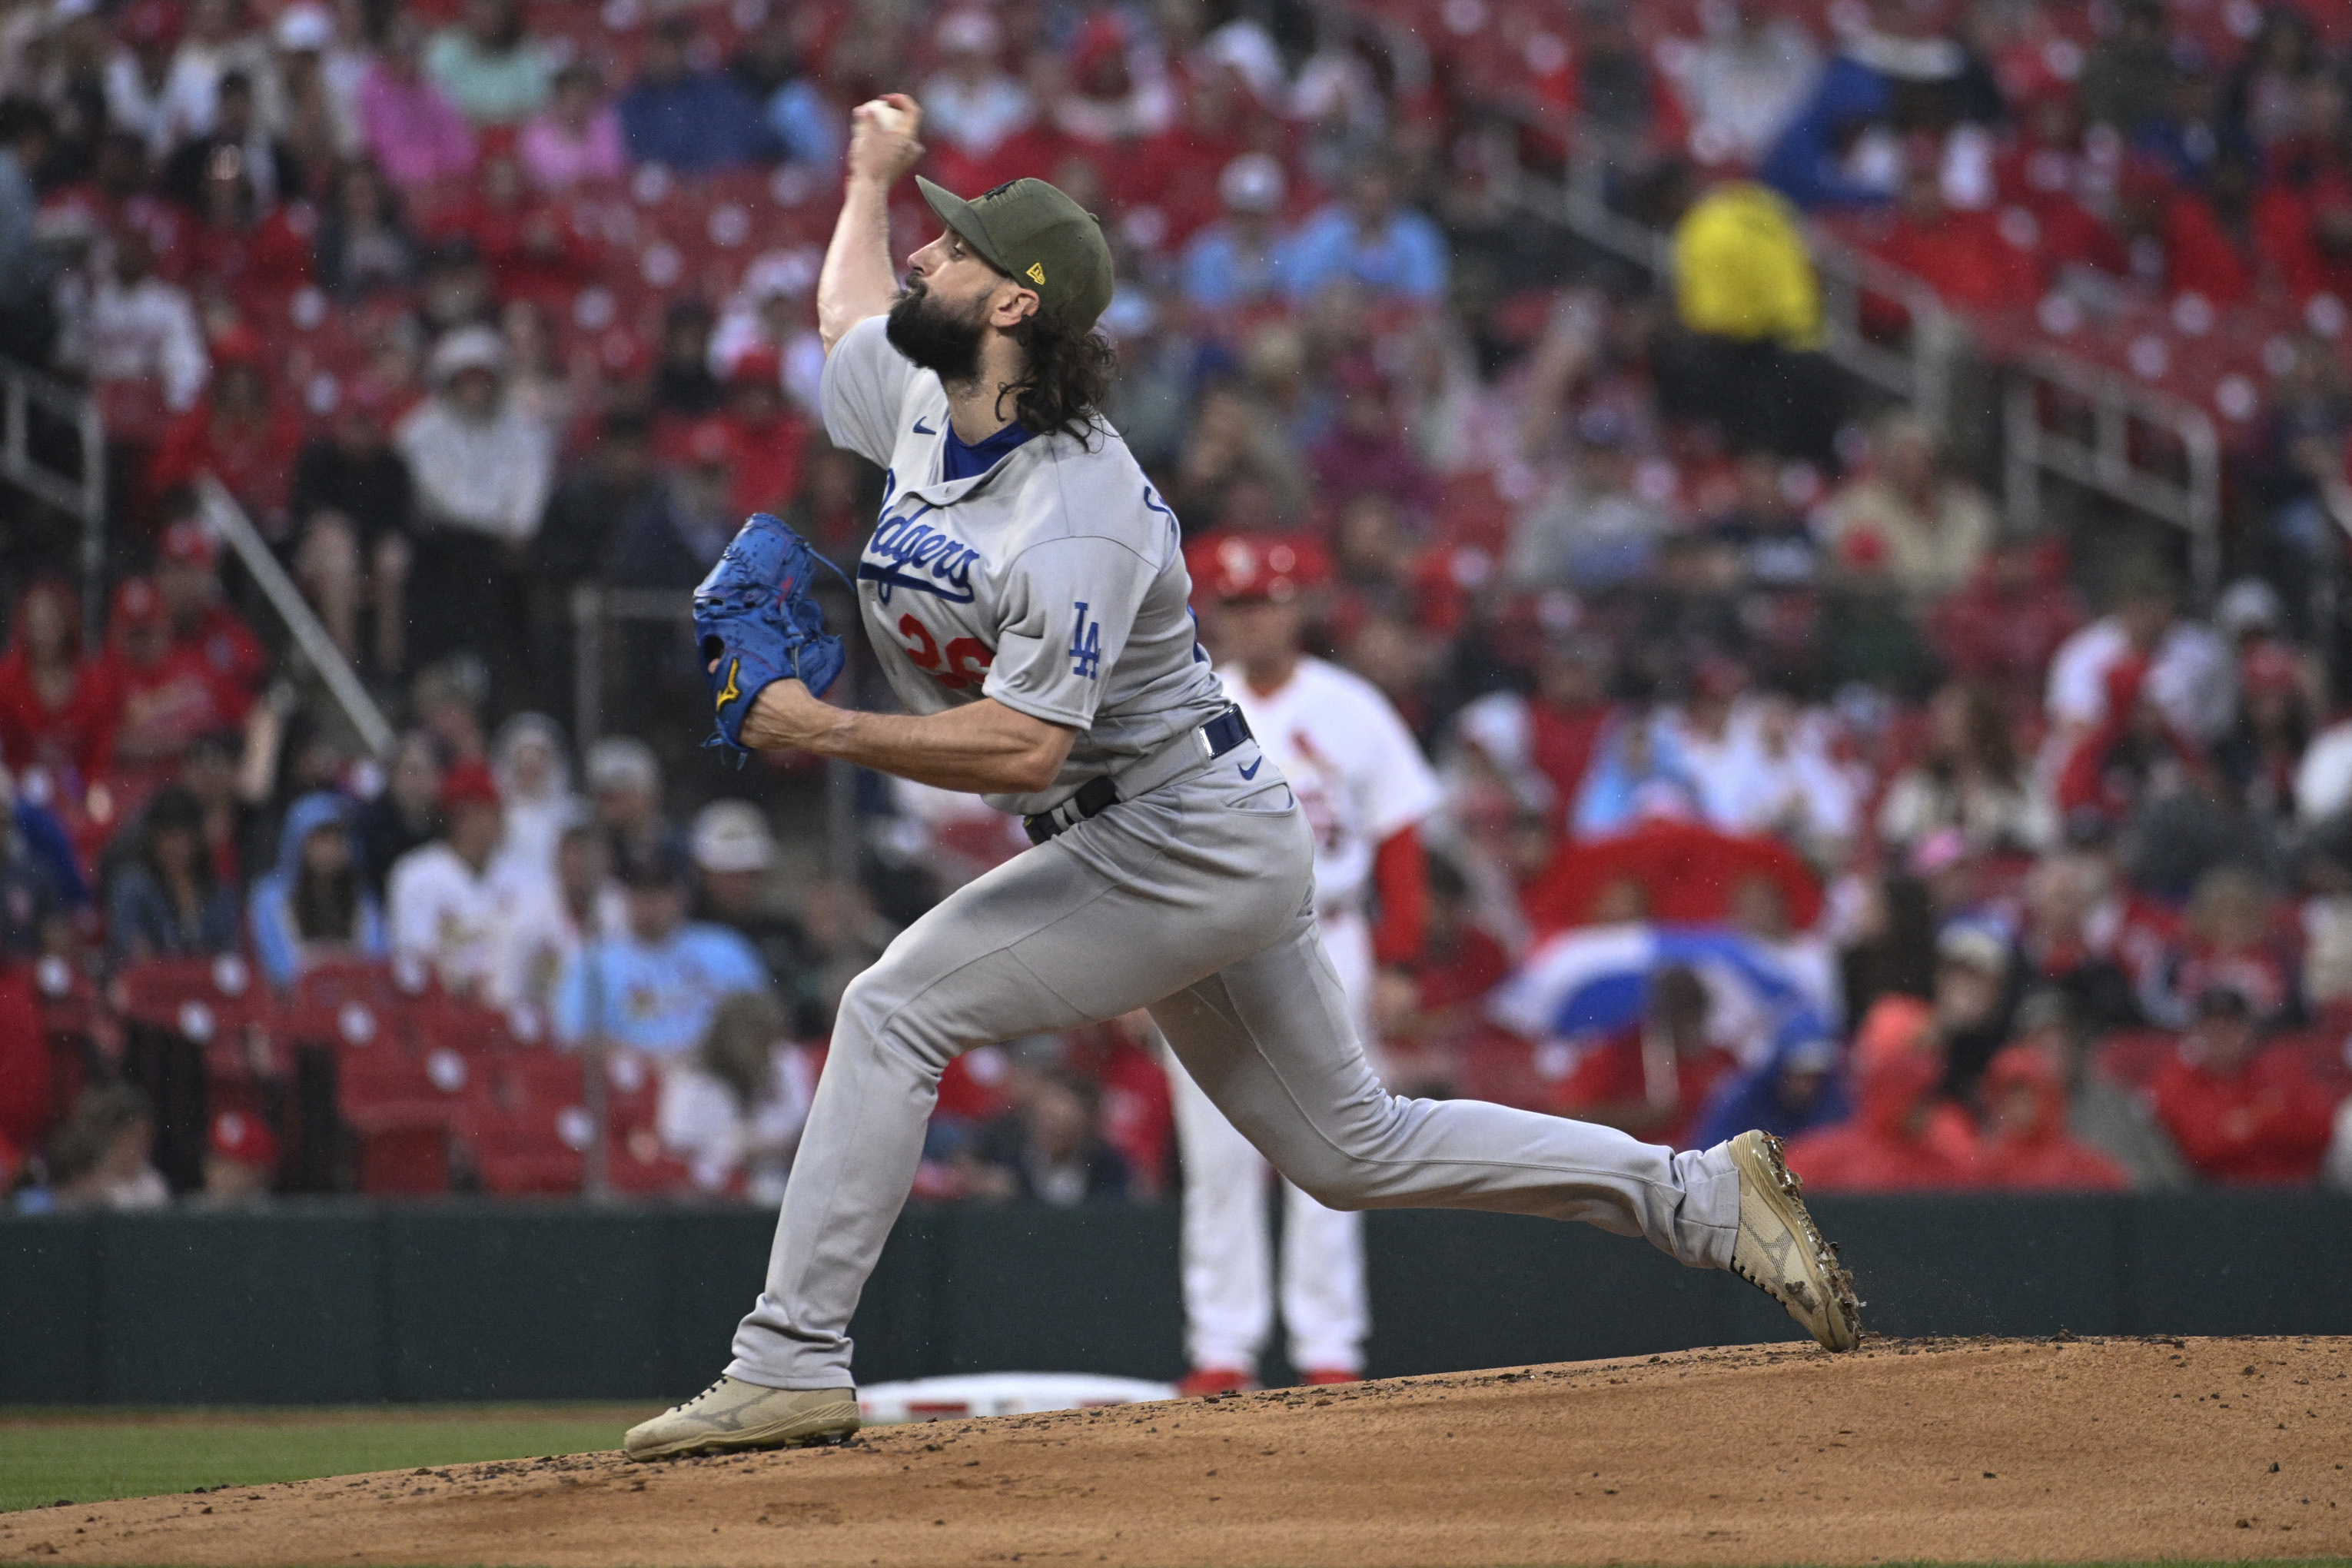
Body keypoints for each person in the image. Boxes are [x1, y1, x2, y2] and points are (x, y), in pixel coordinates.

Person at [621, 95, 1861, 1463]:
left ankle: (788, 1358)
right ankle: (1701, 1201)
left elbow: (1025, 749)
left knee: (890, 1011)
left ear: (1018, 308)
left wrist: (820, 729)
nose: (927, 255)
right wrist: (865, 183)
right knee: (1353, 1150)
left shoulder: (1079, 505)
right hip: (1182, 826)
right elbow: (842, 315)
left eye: (956, 248)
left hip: (1173, 833)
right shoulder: (932, 392)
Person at [1170, 530, 1441, 1394]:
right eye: (1239, 604)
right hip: (1212, 942)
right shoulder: (1188, 698)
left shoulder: (1351, 707)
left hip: (1330, 933)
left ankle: (1331, 1349)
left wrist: (1400, 957)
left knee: (1335, 1141)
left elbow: (1401, 838)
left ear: (1302, 607)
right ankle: (1223, 1350)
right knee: (1217, 1155)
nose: (1255, 620)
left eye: (1271, 602)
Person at [553, 843, 767, 1060]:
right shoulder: (595, 962)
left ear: (682, 894)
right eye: (640, 892)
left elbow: (762, 1021)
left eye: (660, 892)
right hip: (633, 1084)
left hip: (716, 1077)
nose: (650, 904)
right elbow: (576, 1039)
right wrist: (655, 1061)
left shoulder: (724, 948)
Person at [2148, 985, 2337, 1184]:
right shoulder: (2178, 1079)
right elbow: (2200, 1147)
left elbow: (2321, 1126)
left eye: (2231, 1027)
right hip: (2216, 1198)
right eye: (2212, 1029)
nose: (2221, 1038)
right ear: (2196, 1034)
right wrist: (2268, 1120)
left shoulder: (2280, 1067)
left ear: (2249, 1030)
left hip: (2295, 1192)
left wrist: (2249, 1125)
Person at [656, 988, 818, 1203]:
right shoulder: (694, 1077)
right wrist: (738, 1146)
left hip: (783, 1182)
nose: (767, 1048)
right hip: (712, 1195)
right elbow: (676, 1136)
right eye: (758, 1039)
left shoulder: (786, 1060)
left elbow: (802, 1122)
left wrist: (758, 1143)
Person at [385, 758, 508, 1001]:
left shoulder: (517, 876)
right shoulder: (416, 875)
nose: (498, 823)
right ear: (461, 817)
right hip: (438, 1008)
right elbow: (413, 961)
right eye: (488, 812)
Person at [247, 789, 387, 988]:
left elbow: (377, 962)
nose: (330, 849)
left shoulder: (362, 898)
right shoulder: (270, 898)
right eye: (320, 839)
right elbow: (279, 969)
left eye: (337, 839)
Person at [105, 786, 241, 965]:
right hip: (154, 988)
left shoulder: (220, 896)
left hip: (204, 989)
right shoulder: (133, 888)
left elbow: (229, 963)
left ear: (197, 840)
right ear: (153, 840)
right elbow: (136, 955)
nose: (174, 847)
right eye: (167, 837)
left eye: (182, 838)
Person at [1975, 1044, 2130, 1191]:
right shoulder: (1991, 1163)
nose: (2019, 1108)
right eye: (2011, 1098)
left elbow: (2116, 1188)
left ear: (2045, 1096)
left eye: (2026, 1098)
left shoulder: (2078, 1161)